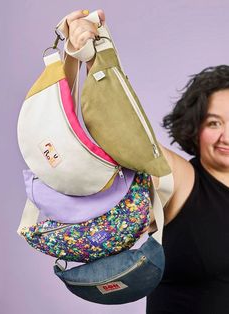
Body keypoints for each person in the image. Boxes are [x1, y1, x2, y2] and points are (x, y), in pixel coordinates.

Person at [65, 9, 229, 313]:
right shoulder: (181, 179)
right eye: (214, 123)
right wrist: (93, 55)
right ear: (195, 127)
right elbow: (123, 132)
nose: (226, 137)